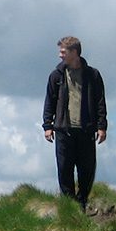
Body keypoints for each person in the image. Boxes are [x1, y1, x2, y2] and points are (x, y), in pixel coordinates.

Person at [42, 36, 107, 210]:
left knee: (87, 170)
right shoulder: (56, 75)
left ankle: (82, 202)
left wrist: (102, 126)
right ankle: (70, 206)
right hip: (63, 130)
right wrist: (48, 126)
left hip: (86, 131)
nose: (60, 55)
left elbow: (100, 101)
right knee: (64, 170)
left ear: (74, 52)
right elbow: (50, 101)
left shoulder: (92, 75)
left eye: (63, 52)